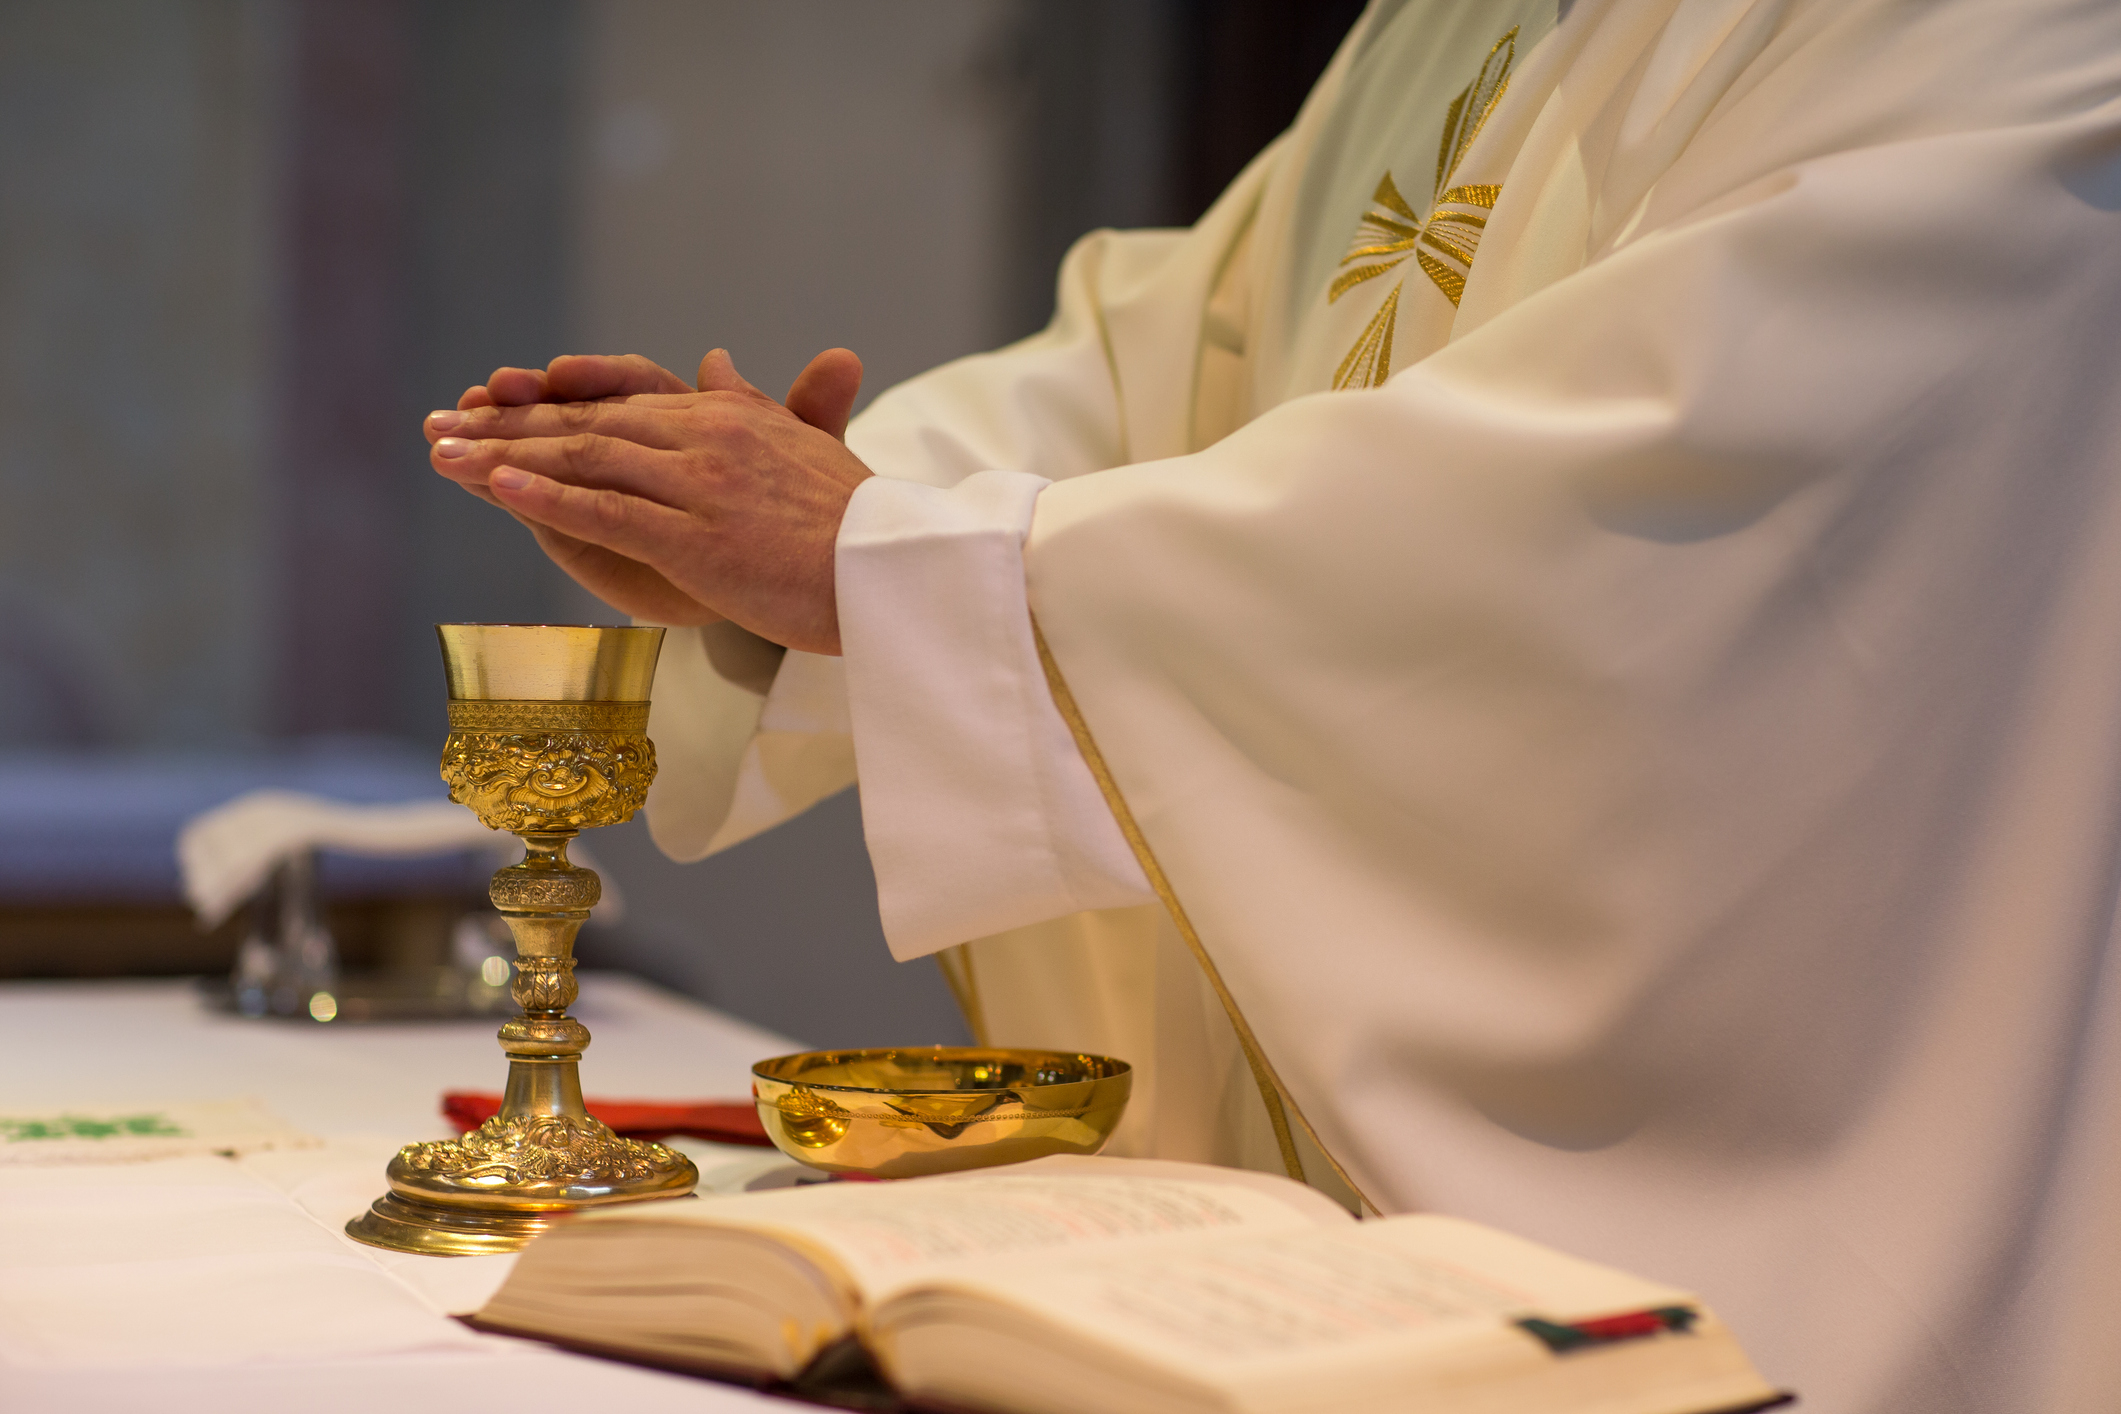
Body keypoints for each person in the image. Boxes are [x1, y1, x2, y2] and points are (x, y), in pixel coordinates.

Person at [422, 0, 2121, 1408]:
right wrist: (809, 530)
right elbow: (1150, 366)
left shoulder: (1987, 40)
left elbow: (1652, 520)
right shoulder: (1464, 27)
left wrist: (887, 557)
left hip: (1789, 1214)